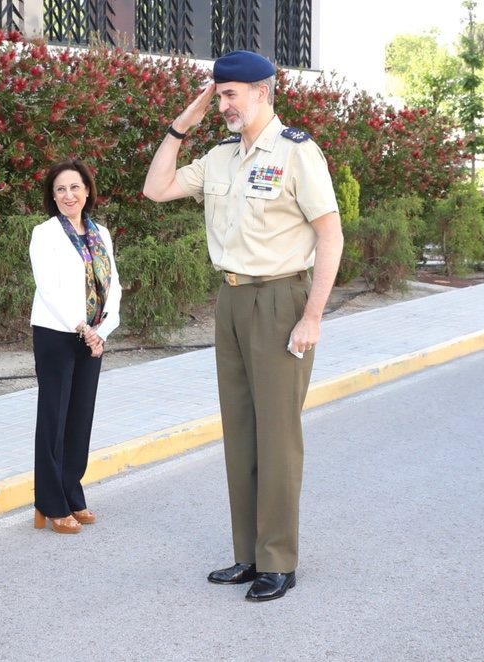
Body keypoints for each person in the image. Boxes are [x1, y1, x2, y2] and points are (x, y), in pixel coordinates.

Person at [142, 50, 343, 601]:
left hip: (280, 299)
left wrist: (312, 317)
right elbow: (155, 189)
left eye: (230, 94)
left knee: (278, 436)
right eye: (219, 94)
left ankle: (279, 560)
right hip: (230, 302)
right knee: (241, 433)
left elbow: (330, 236)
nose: (223, 104)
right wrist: (182, 124)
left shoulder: (299, 153)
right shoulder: (221, 156)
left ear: (262, 92)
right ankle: (248, 554)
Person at [29, 159, 122, 534]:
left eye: (75, 187)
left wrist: (103, 329)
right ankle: (49, 504)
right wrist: (82, 328)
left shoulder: (101, 233)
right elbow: (48, 288)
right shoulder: (45, 233)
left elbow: (112, 285)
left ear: (87, 190)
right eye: (60, 190)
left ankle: (72, 492)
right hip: (57, 333)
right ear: (53, 197)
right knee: (54, 418)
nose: (69, 195)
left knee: (80, 416)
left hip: (94, 336)